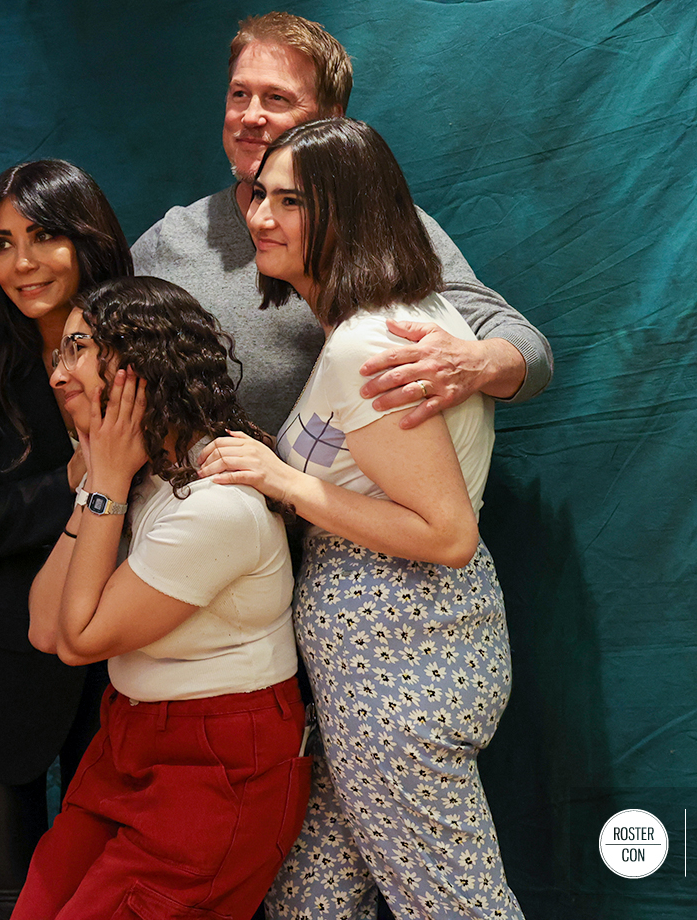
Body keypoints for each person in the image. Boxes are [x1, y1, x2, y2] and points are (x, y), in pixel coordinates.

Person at [0, 12, 551, 450]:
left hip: (357, 545)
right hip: (212, 548)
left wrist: (473, 363)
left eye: (277, 99)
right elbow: (61, 328)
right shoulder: (175, 238)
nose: (250, 117)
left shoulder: (387, 226)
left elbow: (524, 346)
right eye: (240, 95)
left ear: (331, 121)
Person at [199, 117, 524, 920]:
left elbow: (446, 535)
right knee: (311, 904)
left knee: (456, 907)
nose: (261, 218)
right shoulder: (394, 318)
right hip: (377, 669)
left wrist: (284, 480)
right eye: (259, 195)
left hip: (403, 664)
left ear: (349, 212)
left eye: (291, 202)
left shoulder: (370, 343)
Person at [13, 275, 310, 920]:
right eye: (58, 353)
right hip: (129, 741)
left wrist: (105, 482)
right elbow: (44, 628)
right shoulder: (144, 476)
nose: (59, 373)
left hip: (218, 768)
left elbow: (81, 641)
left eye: (77, 349)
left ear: (134, 365)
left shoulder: (216, 502)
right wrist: (102, 478)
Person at [0, 160, 131, 920]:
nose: (22, 263)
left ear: (88, 240)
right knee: (10, 898)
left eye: (43, 237)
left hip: (119, 661)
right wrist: (75, 479)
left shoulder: (141, 348)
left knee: (101, 892)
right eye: (2, 244)